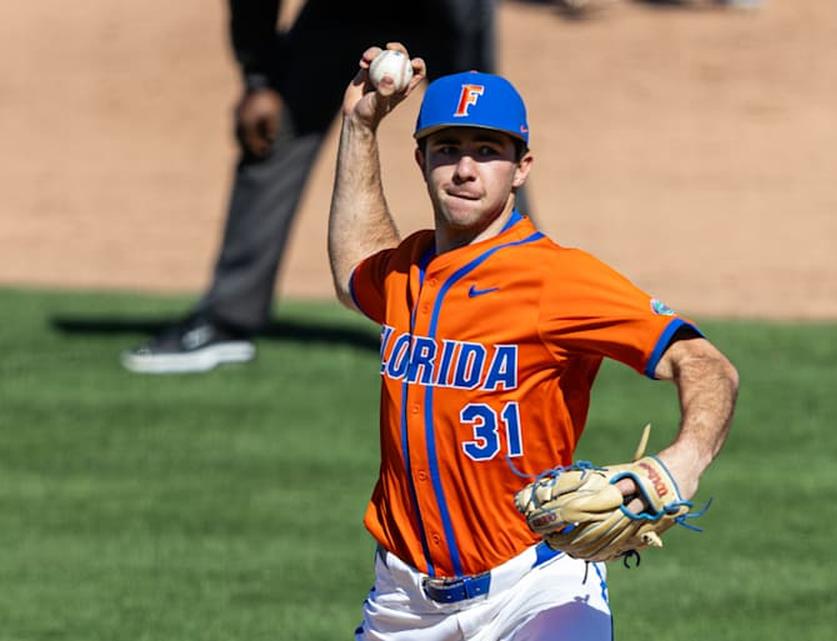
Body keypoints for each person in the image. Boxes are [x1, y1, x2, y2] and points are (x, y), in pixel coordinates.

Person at [329, 42, 739, 640]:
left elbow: (702, 361)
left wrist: (684, 461)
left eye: (486, 152)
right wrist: (359, 127)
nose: (464, 169)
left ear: (521, 168)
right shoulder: (406, 271)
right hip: (404, 604)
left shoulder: (556, 279)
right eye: (447, 149)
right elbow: (354, 268)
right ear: (420, 160)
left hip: (538, 587)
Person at [120, 0, 502, 374]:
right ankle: (227, 319)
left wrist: (475, 81)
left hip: (443, 14)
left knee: (488, 149)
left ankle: (506, 310)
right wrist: (259, 81)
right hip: (338, 13)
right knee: (272, 133)